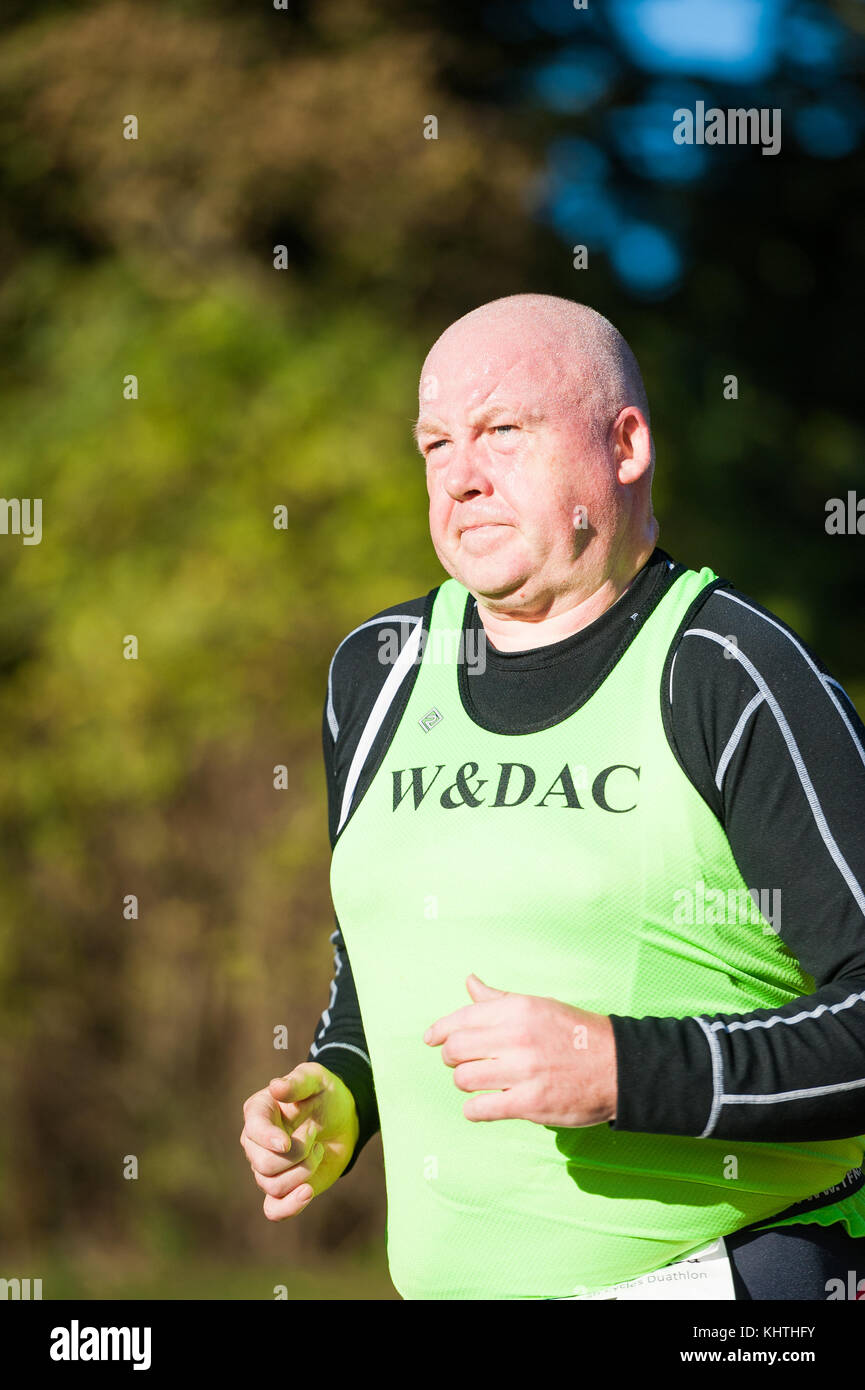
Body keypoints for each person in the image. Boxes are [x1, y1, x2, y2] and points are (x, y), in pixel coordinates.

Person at [240, 294, 865, 1300]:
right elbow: (381, 954)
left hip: (730, 1283)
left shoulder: (730, 673)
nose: (461, 477)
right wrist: (343, 1085)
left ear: (623, 446)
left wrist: (624, 1068)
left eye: (501, 431)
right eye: (435, 442)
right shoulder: (380, 668)